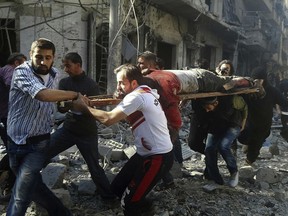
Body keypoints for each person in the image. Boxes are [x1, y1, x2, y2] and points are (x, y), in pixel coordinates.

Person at [72, 64, 174, 216]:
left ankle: (139, 205)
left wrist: (83, 107)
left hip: (157, 158)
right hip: (144, 154)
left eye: (121, 83)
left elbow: (108, 119)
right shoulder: (145, 91)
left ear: (134, 83)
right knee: (117, 189)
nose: (118, 86)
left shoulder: (137, 96)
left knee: (128, 204)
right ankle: (147, 207)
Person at [6, 38, 80, 216]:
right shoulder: (21, 72)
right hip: (16, 139)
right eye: (38, 57)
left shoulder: (54, 74)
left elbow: (55, 102)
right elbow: (42, 95)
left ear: (53, 58)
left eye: (48, 57)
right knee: (33, 185)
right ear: (30, 55)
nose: (43, 61)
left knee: (21, 194)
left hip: (39, 141)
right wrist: (75, 95)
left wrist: (66, 105)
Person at [45, 52, 115, 200]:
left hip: (87, 132)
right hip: (68, 129)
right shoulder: (64, 83)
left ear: (78, 65)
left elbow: (96, 111)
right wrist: (74, 104)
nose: (65, 69)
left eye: (68, 65)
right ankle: (29, 186)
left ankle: (109, 198)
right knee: (43, 152)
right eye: (64, 65)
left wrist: (79, 106)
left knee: (94, 167)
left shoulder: (91, 85)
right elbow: (61, 108)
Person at [137, 51, 183, 190]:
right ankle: (176, 170)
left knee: (159, 153)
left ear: (151, 64)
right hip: (170, 121)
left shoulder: (155, 78)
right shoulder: (162, 76)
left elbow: (167, 100)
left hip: (165, 121)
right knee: (168, 147)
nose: (138, 65)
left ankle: (168, 180)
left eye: (141, 63)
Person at [238, 66, 288, 165]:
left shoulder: (272, 91)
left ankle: (247, 165)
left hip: (263, 125)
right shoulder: (247, 90)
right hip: (249, 122)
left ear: (264, 80)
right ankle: (247, 145)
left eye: (260, 80)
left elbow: (283, 102)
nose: (258, 83)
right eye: (255, 80)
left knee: (255, 148)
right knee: (245, 138)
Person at [201, 95, 247, 188]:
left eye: (209, 108)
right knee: (209, 149)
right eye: (205, 108)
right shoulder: (209, 111)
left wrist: (244, 122)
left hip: (233, 124)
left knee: (223, 146)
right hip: (216, 125)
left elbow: (244, 107)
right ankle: (216, 180)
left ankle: (234, 172)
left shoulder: (232, 101)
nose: (207, 110)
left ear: (216, 103)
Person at [0, 53, 27, 200]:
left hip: (6, 117)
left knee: (13, 150)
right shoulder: (11, 70)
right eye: (23, 64)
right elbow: (12, 83)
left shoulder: (3, 70)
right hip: (7, 118)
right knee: (14, 151)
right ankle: (9, 188)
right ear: (16, 62)